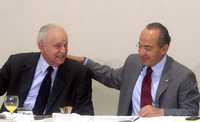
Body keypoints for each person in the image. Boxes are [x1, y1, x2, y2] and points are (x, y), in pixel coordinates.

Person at [68, 22, 200, 117]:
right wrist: (84, 61)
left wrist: (162, 113)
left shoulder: (183, 76)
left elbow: (192, 111)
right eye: (139, 46)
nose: (141, 53)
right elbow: (110, 76)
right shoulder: (133, 62)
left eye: (147, 48)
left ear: (164, 49)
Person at [0, 24, 94, 115]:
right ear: (41, 46)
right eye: (58, 46)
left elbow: (85, 114)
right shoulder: (16, 63)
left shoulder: (79, 73)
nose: (63, 50)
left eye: (65, 45)